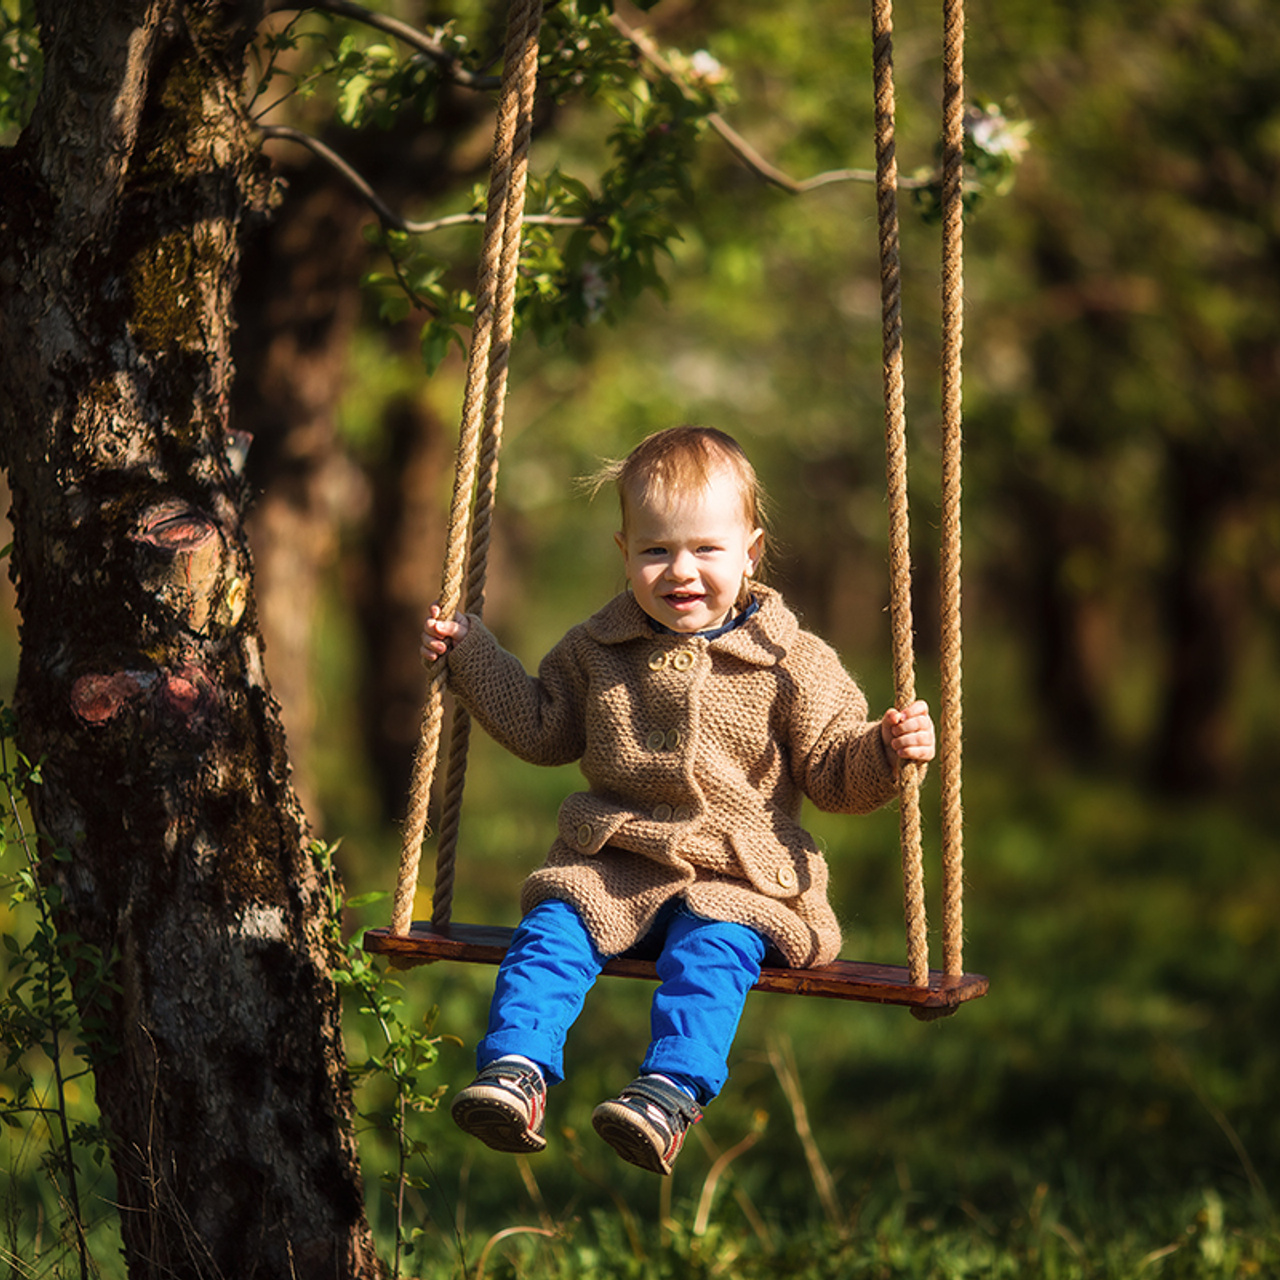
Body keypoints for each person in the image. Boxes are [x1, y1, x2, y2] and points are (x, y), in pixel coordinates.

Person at [420, 425, 935, 1176]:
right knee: (552, 931)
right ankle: (515, 1071)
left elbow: (831, 772)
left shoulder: (795, 660)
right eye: (657, 551)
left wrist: (885, 753)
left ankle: (668, 1092)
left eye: (706, 550)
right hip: (615, 858)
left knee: (713, 954)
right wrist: (473, 655)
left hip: (739, 874)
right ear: (624, 553)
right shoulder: (597, 648)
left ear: (751, 552)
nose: (680, 571)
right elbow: (540, 725)